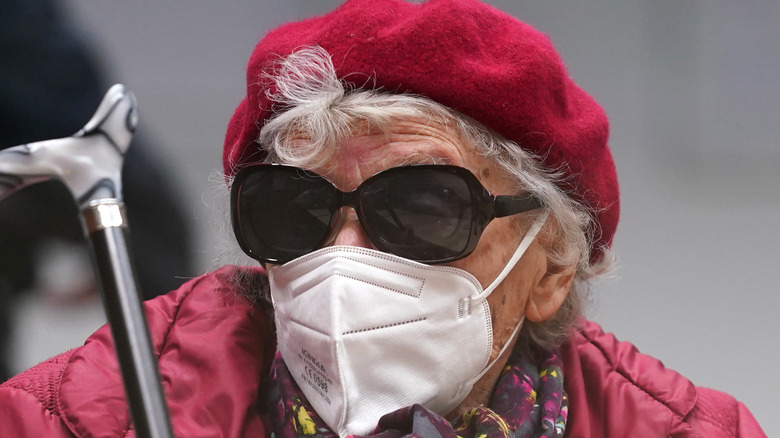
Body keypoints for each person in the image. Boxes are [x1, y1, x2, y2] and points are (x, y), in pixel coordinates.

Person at [0, 0, 767, 436]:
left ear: (553, 267)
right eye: (293, 210)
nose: (343, 258)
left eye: (423, 207)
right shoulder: (72, 421)